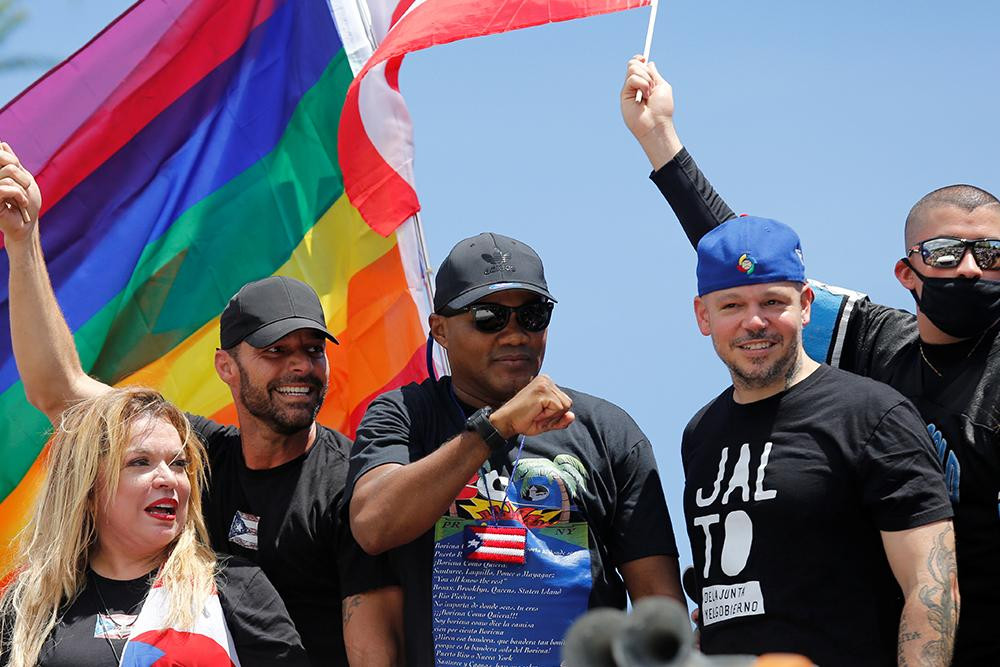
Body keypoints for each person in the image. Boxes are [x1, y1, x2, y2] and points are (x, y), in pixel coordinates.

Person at [621, 58, 1000, 663]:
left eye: (991, 252)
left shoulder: (877, 409)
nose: (972, 268)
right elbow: (747, 263)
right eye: (947, 251)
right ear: (907, 271)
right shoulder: (880, 345)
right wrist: (659, 138)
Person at [0, 142, 373, 666]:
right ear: (226, 367)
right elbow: (59, 389)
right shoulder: (196, 454)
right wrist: (24, 239)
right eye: (276, 351)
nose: (300, 367)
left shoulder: (353, 480)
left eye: (313, 351)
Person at [343, 232, 684, 666]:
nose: (514, 335)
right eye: (489, 316)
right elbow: (374, 525)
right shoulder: (404, 415)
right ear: (441, 329)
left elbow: (659, 604)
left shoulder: (607, 430)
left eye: (532, 315)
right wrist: (494, 427)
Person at [680, 216, 957, 664]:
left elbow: (932, 587)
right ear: (702, 316)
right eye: (731, 305)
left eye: (773, 301)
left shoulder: (871, 414)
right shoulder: (701, 432)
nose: (755, 322)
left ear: (806, 305)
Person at [0, 387, 308, 667]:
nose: (168, 478)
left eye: (178, 464)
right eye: (140, 462)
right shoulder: (30, 604)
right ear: (89, 487)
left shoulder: (237, 587)